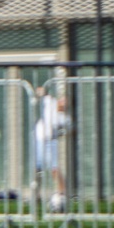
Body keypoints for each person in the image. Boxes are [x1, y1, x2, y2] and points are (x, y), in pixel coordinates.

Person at [33, 84, 70, 212]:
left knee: (55, 168)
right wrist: (41, 91)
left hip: (51, 141)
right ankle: (35, 193)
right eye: (63, 100)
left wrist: (62, 132)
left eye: (66, 102)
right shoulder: (51, 102)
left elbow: (68, 130)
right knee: (38, 168)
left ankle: (62, 193)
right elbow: (41, 93)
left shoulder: (65, 118)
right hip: (39, 138)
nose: (63, 103)